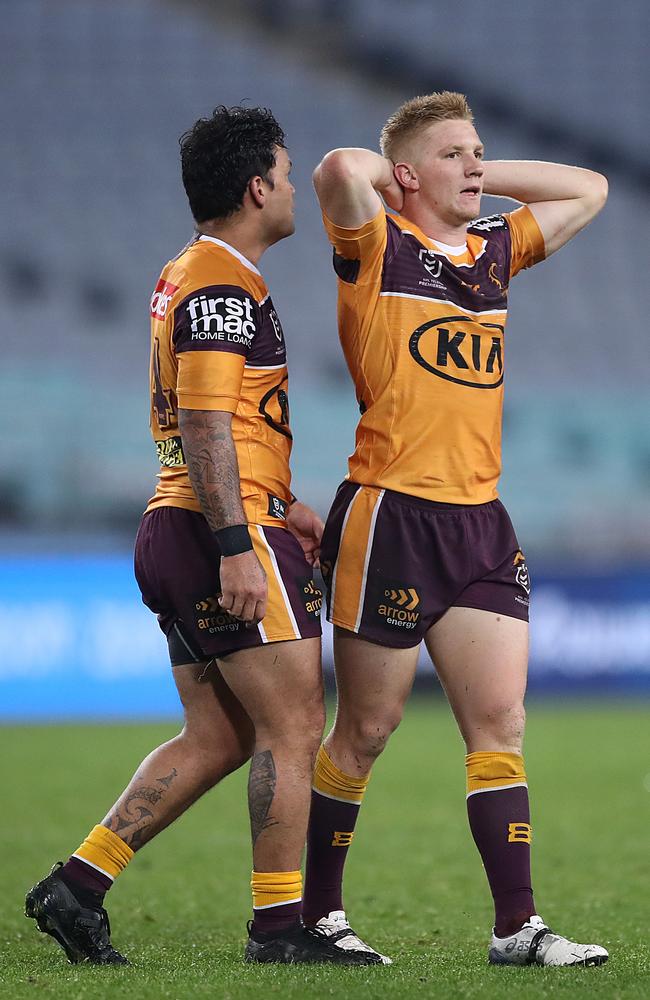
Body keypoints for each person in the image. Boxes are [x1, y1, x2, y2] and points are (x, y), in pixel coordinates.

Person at [24, 105, 380, 967]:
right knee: (293, 729)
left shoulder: (195, 273)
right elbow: (207, 420)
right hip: (218, 530)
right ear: (258, 188)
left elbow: (220, 427)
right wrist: (236, 542)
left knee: (219, 735)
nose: (295, 187)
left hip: (182, 521)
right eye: (287, 175)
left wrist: (284, 505)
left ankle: (78, 884)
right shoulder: (222, 285)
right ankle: (279, 931)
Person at [301, 91, 610, 967]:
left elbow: (587, 188)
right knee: (367, 730)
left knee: (500, 722)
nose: (477, 167)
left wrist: (471, 173)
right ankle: (322, 915)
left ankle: (518, 928)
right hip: (390, 513)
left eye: (480, 153)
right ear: (404, 175)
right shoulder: (376, 244)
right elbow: (336, 170)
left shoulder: (493, 252)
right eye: (456, 155)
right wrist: (408, 181)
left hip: (480, 521)